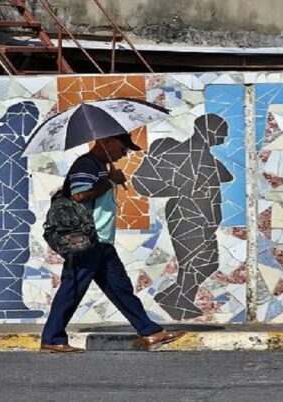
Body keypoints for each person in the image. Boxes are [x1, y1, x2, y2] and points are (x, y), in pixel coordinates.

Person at [40, 133, 187, 353]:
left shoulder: (99, 166)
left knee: (120, 288)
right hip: (86, 241)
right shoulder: (86, 165)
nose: (124, 153)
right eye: (123, 147)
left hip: (101, 241)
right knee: (72, 288)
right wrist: (110, 181)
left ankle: (150, 332)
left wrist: (109, 178)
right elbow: (79, 196)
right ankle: (52, 338)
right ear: (105, 142)